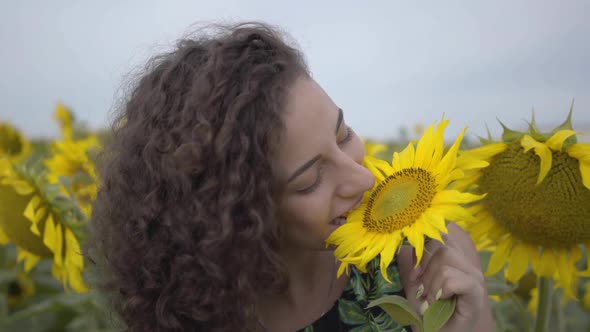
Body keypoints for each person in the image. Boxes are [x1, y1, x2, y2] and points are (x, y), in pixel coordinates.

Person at [86, 22, 494, 332]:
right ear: (241, 218)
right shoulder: (200, 314)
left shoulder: (424, 259)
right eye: (310, 181)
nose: (364, 180)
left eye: (344, 134)